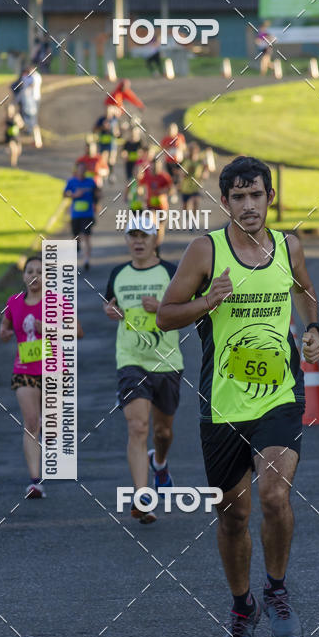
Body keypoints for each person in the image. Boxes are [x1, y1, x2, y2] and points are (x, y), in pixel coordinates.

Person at [156, 155, 319, 637]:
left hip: (279, 395)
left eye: (258, 195)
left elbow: (305, 292)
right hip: (223, 405)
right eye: (239, 197)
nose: (249, 206)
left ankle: (275, 589)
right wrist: (207, 302)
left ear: (270, 197)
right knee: (233, 516)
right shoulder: (206, 251)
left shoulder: (289, 246)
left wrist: (314, 331)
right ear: (224, 201)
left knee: (274, 496)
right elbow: (165, 314)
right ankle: (240, 605)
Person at [103, 215, 184, 524]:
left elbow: (187, 309)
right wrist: (109, 310)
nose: (137, 241)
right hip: (130, 360)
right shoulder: (118, 274)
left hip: (167, 361)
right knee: (137, 427)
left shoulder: (170, 273)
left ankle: (159, 462)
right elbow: (110, 304)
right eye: (132, 235)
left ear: (156, 239)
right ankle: (143, 498)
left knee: (163, 431)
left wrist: (162, 307)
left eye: (144, 235)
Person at [0, 256, 83, 499]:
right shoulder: (13, 302)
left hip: (54, 369)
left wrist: (46, 328)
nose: (35, 276)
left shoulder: (58, 302)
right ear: (23, 276)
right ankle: (35, 481)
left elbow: (77, 331)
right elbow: (5, 326)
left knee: (52, 428)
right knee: (31, 423)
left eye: (40, 271)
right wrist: (4, 333)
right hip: (25, 370)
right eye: (30, 271)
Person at [64, 161, 99, 271]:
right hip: (75, 215)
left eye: (84, 169)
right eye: (80, 169)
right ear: (76, 170)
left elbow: (97, 194)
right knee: (76, 236)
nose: (82, 171)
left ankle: (86, 260)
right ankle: (77, 245)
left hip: (88, 214)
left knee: (87, 236)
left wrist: (97, 203)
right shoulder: (71, 182)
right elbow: (65, 194)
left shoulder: (91, 182)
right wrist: (74, 195)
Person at [141, 156, 173, 249]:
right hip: (150, 205)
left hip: (162, 206)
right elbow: (141, 185)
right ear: (150, 165)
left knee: (160, 227)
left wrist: (163, 192)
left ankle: (157, 246)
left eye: (157, 166)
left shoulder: (164, 177)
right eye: (153, 165)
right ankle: (152, 245)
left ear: (160, 166)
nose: (155, 168)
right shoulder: (147, 176)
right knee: (151, 224)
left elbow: (171, 190)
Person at [180, 141, 209, 215]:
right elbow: (182, 175)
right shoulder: (186, 162)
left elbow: (206, 171)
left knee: (195, 203)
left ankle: (193, 222)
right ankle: (187, 219)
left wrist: (205, 173)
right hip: (186, 188)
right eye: (191, 151)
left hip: (195, 188)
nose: (193, 153)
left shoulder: (200, 162)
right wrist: (186, 172)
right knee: (185, 208)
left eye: (194, 151)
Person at [94, 106, 121, 183]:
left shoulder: (114, 120)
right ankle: (105, 173)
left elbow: (117, 132)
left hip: (111, 142)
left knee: (112, 159)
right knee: (103, 158)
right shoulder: (101, 119)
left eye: (109, 112)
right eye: (107, 112)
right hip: (103, 142)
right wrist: (103, 127)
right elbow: (94, 129)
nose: (108, 114)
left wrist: (115, 132)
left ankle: (111, 174)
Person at [161, 122, 186, 203]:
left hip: (178, 161)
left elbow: (184, 147)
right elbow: (162, 148)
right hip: (169, 162)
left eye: (173, 129)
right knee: (171, 178)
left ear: (176, 130)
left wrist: (180, 147)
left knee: (178, 178)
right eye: (170, 129)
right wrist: (168, 147)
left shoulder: (180, 137)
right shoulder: (166, 139)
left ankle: (176, 192)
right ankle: (173, 193)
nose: (171, 131)